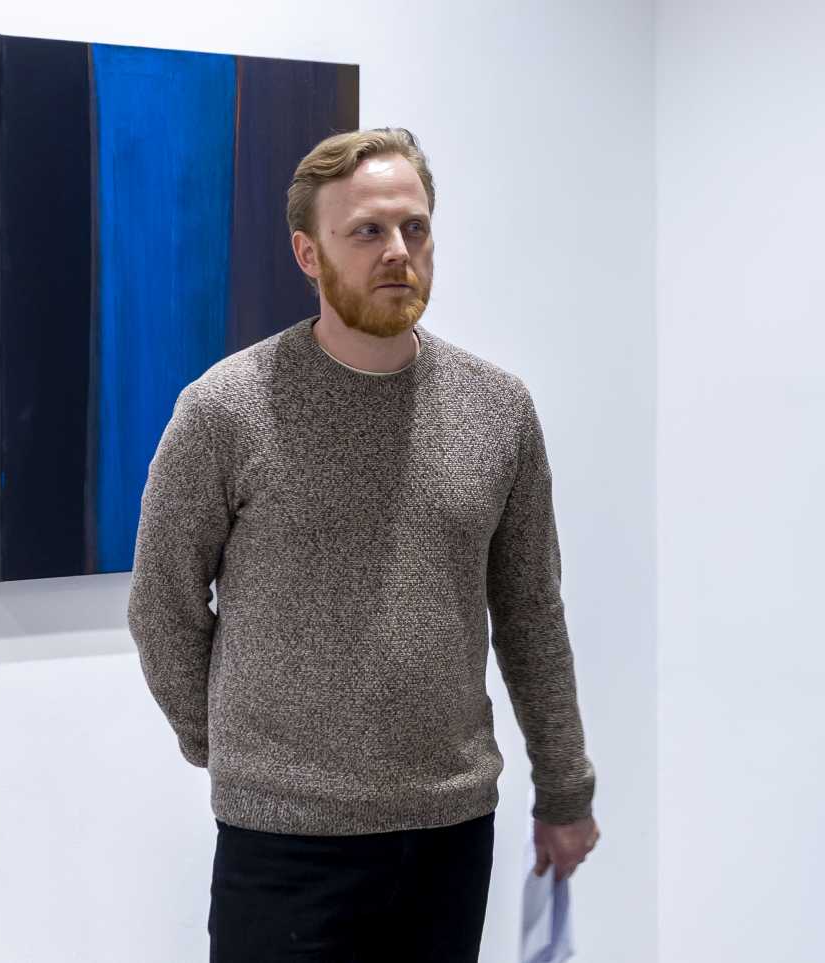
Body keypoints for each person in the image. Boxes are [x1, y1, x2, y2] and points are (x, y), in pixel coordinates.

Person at [128, 127, 600, 962]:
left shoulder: (498, 410)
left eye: (415, 228)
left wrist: (565, 787)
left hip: (448, 832)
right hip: (283, 843)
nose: (398, 252)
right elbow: (162, 604)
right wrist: (231, 749)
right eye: (368, 231)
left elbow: (531, 613)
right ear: (308, 254)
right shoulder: (225, 411)